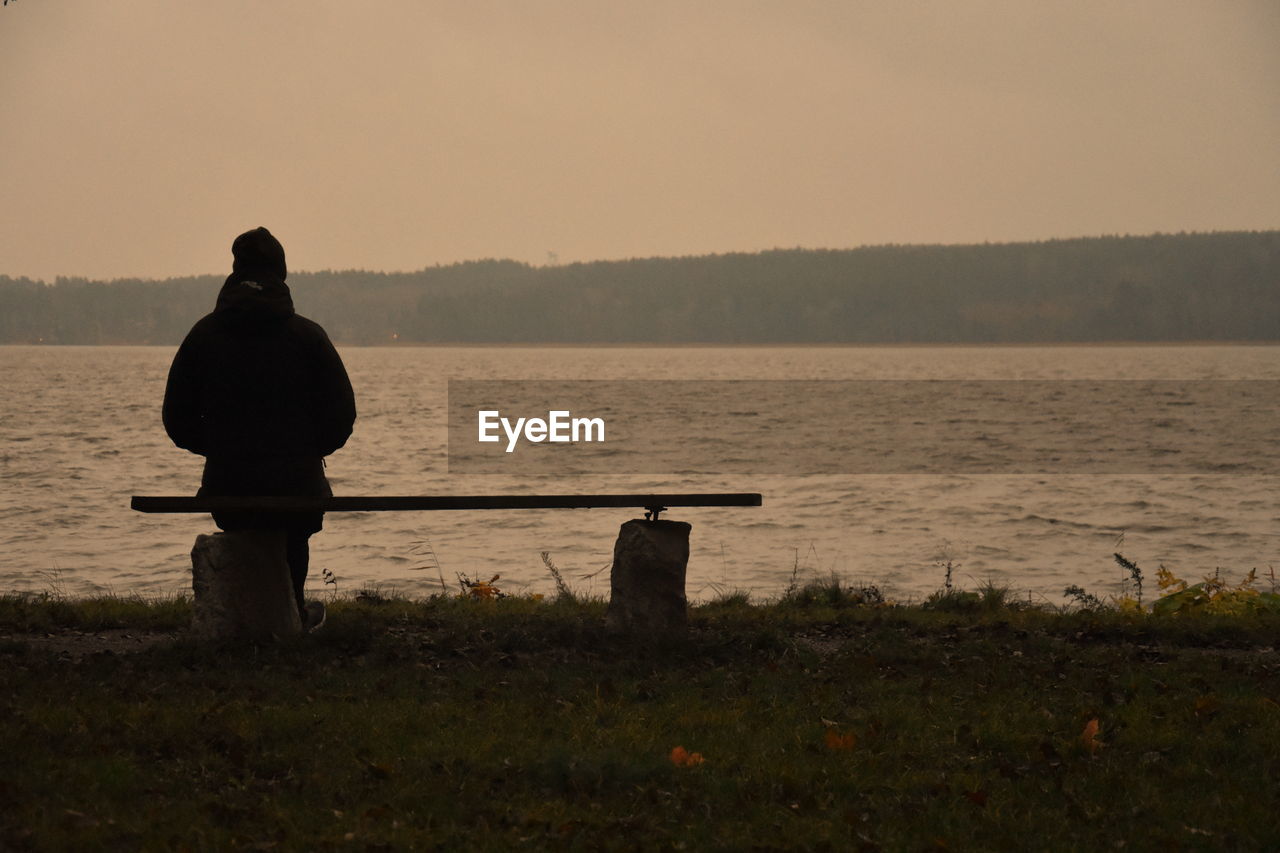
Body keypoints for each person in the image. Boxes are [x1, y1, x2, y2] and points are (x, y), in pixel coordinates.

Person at [162, 227, 356, 630]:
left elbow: (175, 419)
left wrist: (218, 447)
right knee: (295, 523)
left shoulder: (204, 335)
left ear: (235, 270)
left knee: (250, 521)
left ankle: (249, 614)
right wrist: (306, 450)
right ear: (281, 274)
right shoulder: (307, 336)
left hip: (227, 485)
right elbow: (342, 415)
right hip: (297, 484)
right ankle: (293, 611)